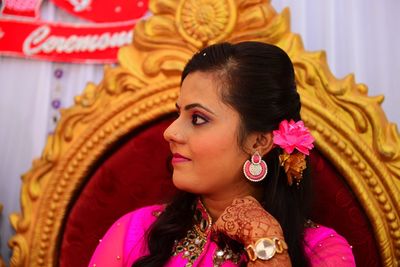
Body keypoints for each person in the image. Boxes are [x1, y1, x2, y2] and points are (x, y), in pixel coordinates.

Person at [88, 42, 355, 267]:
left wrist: (265, 242)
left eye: (198, 119)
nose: (170, 132)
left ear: (259, 142)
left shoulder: (323, 251)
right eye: (177, 113)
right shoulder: (133, 233)